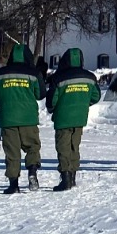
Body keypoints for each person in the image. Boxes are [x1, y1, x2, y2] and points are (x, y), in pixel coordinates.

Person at [0, 43, 44, 194]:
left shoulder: (0, 74)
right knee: (32, 147)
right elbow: (40, 94)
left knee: (12, 152)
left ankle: (13, 185)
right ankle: (32, 171)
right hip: (29, 118)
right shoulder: (33, 73)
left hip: (8, 119)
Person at [45, 48, 100, 191]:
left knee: (63, 148)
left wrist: (52, 109)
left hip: (63, 118)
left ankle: (65, 180)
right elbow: (96, 97)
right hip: (80, 118)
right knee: (75, 147)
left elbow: (51, 101)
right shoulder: (90, 77)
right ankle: (73, 177)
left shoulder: (59, 78)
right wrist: (83, 103)